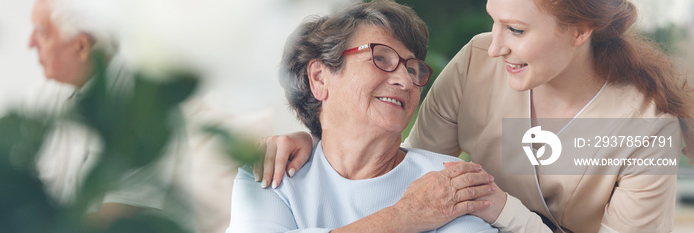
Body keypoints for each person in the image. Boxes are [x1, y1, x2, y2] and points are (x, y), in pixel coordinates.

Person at [258, 0, 694, 232]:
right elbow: (408, 175)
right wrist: (321, 140)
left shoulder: (646, 128)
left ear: (581, 31)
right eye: (494, 20)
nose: (496, 44)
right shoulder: (478, 62)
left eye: (517, 30)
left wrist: (502, 210)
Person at [226, 1, 500, 232]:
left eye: (413, 69)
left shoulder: (450, 183)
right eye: (381, 58)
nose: (405, 81)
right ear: (319, 78)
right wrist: (404, 216)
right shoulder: (270, 171)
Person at [27, 0, 183, 228]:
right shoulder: (52, 90)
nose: (31, 43)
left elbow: (120, 218)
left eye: (42, 33)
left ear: (81, 47)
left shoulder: (143, 105)